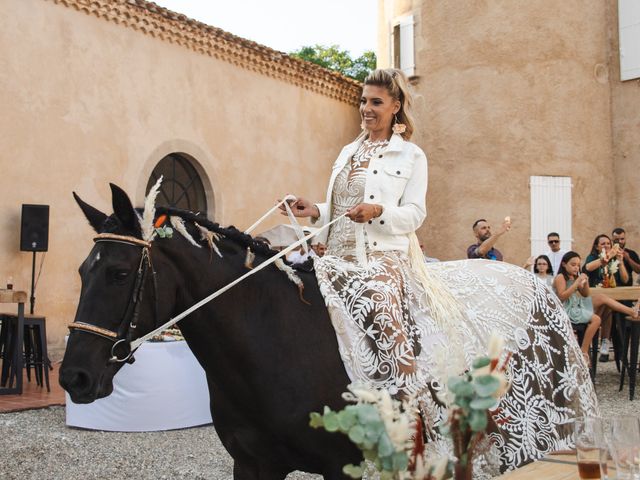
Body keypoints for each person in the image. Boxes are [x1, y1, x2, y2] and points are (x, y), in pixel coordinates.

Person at [280, 68, 596, 467]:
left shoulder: (411, 155)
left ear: (396, 107)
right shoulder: (348, 152)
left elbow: (414, 214)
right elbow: (339, 209)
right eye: (363, 100)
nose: (366, 109)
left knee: (381, 315)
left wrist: (378, 210)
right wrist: (315, 210)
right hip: (335, 260)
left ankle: (416, 419)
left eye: (376, 102)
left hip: (384, 258)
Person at [583, 234, 637, 361]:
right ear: (597, 246)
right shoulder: (593, 257)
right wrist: (608, 256)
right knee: (606, 304)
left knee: (607, 305)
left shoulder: (614, 258)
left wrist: (621, 262)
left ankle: (599, 340)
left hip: (612, 298)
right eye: (603, 244)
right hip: (593, 298)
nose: (606, 245)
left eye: (608, 243)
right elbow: (587, 267)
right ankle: (603, 341)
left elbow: (625, 279)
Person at [553, 251, 601, 362]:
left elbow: (586, 294)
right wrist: (576, 283)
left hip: (575, 308)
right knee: (596, 318)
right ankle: (583, 352)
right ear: (564, 264)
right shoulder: (560, 277)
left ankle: (583, 350)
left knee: (596, 319)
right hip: (564, 309)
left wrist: (585, 282)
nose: (576, 268)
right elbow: (562, 297)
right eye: (573, 265)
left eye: (578, 265)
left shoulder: (574, 277)